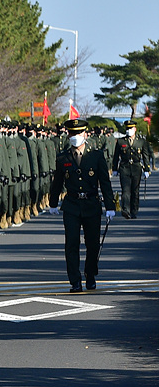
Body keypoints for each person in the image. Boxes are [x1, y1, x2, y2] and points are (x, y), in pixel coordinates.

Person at [48, 118, 116, 292]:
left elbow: (105, 182)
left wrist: (110, 206)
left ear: (85, 134)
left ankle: (90, 274)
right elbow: (57, 183)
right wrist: (53, 203)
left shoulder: (96, 155)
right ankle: (75, 280)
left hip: (91, 204)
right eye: (72, 133)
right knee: (71, 243)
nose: (75, 136)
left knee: (93, 244)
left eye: (78, 133)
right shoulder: (63, 157)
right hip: (71, 205)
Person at [112, 120, 152, 219]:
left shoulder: (141, 141)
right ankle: (125, 209)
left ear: (135, 129)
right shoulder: (121, 141)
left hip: (136, 168)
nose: (129, 130)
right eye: (127, 128)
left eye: (130, 128)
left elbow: (145, 155)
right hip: (124, 168)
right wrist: (114, 168)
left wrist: (147, 168)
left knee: (135, 191)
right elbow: (116, 156)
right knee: (125, 190)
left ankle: (134, 210)